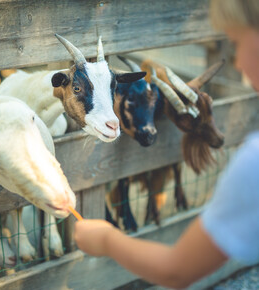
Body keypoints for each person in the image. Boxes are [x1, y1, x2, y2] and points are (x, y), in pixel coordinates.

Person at [73, 0, 259, 288]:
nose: (236, 62)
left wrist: (107, 240)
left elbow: (177, 270)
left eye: (235, 43)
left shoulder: (253, 162)